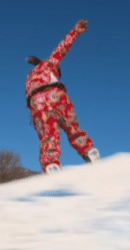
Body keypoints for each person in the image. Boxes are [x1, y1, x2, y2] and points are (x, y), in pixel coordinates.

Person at [25, 19, 99, 174]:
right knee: (72, 128)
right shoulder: (50, 64)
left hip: (37, 101)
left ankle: (51, 164)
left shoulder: (31, 75)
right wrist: (75, 32)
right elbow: (62, 48)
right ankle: (89, 151)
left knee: (48, 134)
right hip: (56, 95)